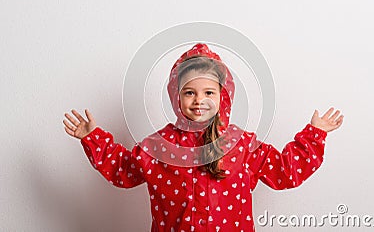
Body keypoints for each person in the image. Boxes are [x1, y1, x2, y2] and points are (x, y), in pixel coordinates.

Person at [63, 43, 344, 232]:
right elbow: (123, 170)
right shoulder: (158, 147)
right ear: (176, 96)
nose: (199, 100)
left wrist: (314, 135)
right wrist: (93, 138)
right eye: (190, 92)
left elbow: (284, 171)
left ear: (223, 96)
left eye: (208, 92)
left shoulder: (242, 144)